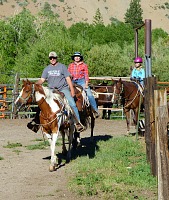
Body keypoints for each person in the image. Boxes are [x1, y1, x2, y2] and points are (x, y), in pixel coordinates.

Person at [28, 51, 84, 132]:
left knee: (72, 103)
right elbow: (42, 79)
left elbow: (68, 79)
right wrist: (34, 85)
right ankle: (36, 123)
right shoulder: (47, 69)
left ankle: (77, 123)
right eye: (51, 58)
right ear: (49, 59)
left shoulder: (62, 67)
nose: (52, 59)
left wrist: (72, 90)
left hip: (63, 89)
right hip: (51, 90)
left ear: (56, 58)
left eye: (54, 58)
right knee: (42, 103)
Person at [68, 52, 99, 118]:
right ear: (74, 58)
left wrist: (86, 84)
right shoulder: (70, 65)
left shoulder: (84, 65)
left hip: (81, 81)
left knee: (89, 94)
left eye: (78, 56)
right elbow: (68, 74)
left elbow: (86, 75)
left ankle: (95, 110)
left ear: (80, 58)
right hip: (72, 81)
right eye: (75, 56)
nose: (77, 57)